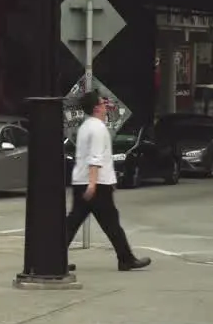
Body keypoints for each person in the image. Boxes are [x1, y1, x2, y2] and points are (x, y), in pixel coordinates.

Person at [65, 91, 151, 272]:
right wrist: (93, 184)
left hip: (83, 181)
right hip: (96, 185)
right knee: (111, 223)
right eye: (103, 104)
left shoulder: (85, 127)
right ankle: (126, 259)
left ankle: (54, 259)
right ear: (96, 108)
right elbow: (95, 158)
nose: (106, 107)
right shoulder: (98, 128)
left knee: (73, 223)